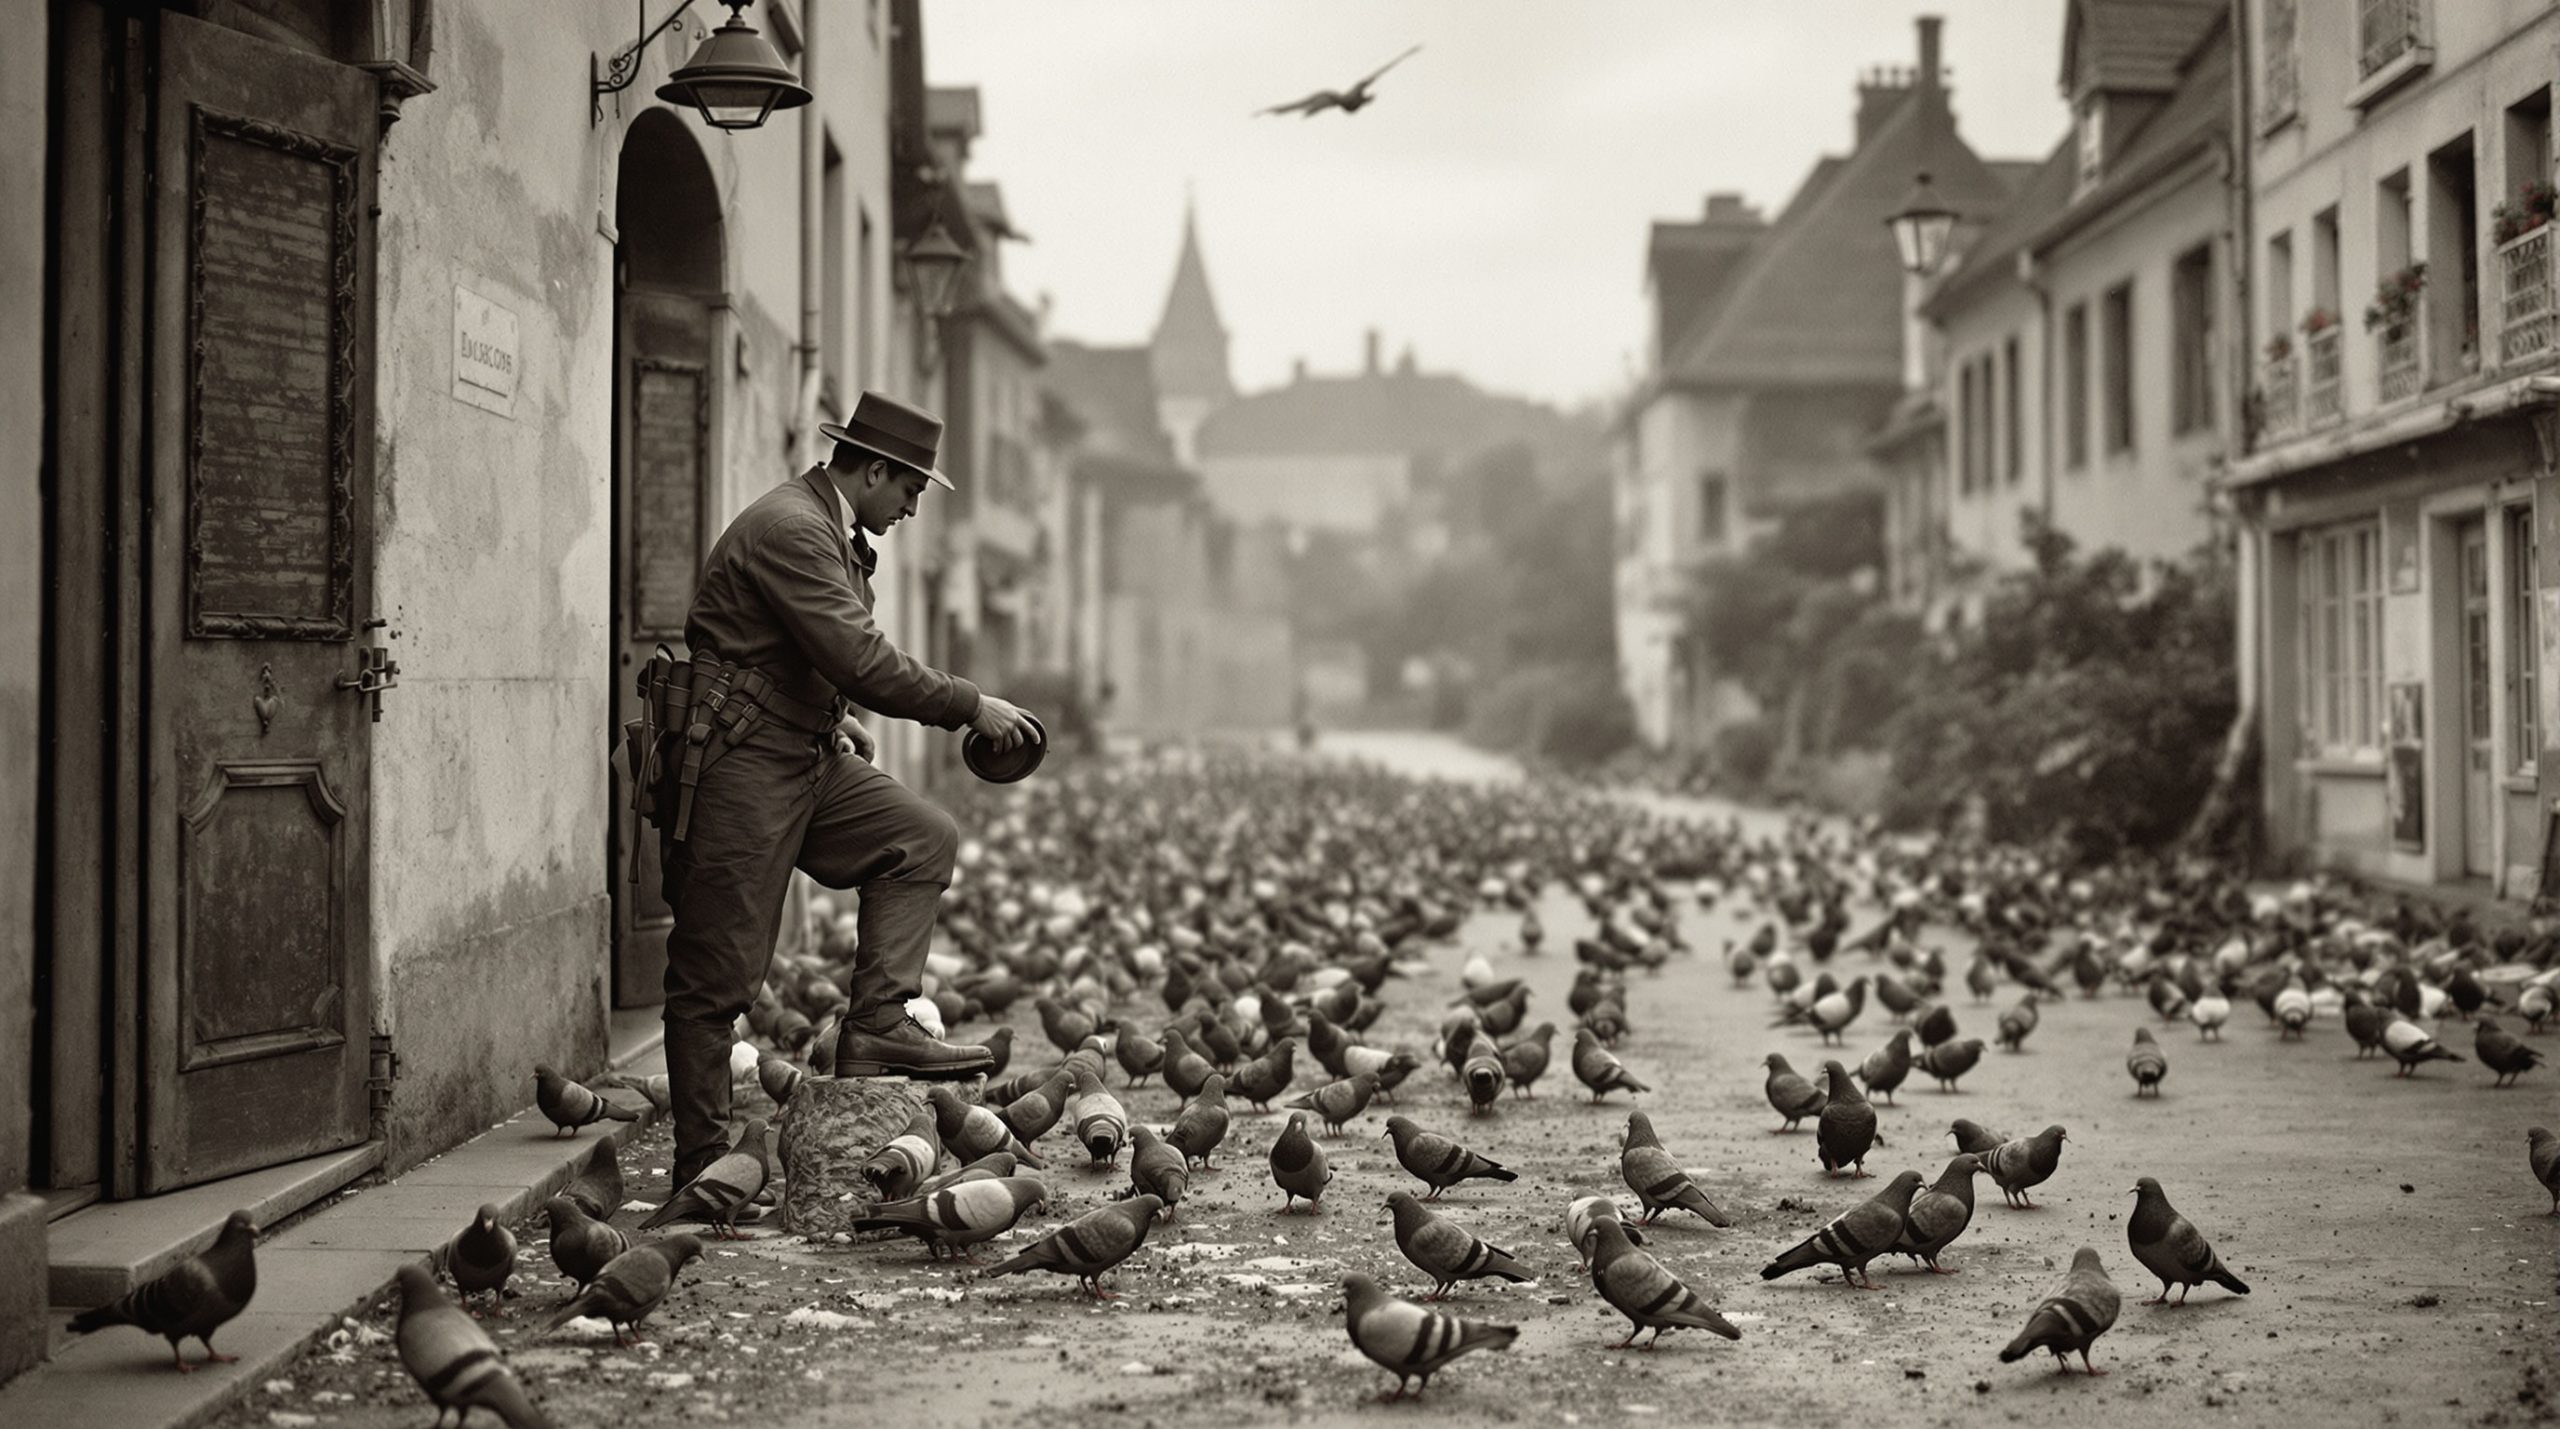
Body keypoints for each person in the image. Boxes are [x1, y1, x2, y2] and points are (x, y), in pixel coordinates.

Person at [660, 390, 1036, 1193]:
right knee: (714, 974)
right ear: (871, 471)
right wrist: (971, 703)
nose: (910, 509)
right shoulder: (794, 529)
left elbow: (796, 655)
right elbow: (858, 655)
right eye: (907, 490)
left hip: (799, 754)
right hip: (740, 765)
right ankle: (701, 1172)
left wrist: (832, 723)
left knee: (921, 835)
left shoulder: (837, 530)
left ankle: (876, 1023)